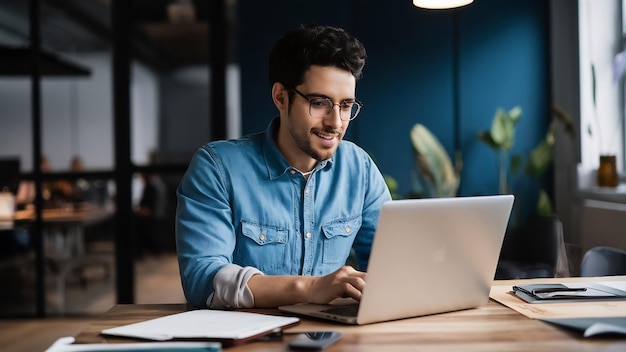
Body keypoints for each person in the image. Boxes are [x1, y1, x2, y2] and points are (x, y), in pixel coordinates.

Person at [176, 24, 391, 309]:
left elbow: (390, 268)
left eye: (345, 105)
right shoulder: (217, 168)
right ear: (280, 97)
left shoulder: (360, 169)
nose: (336, 123)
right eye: (319, 103)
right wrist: (309, 288)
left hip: (333, 339)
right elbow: (203, 281)